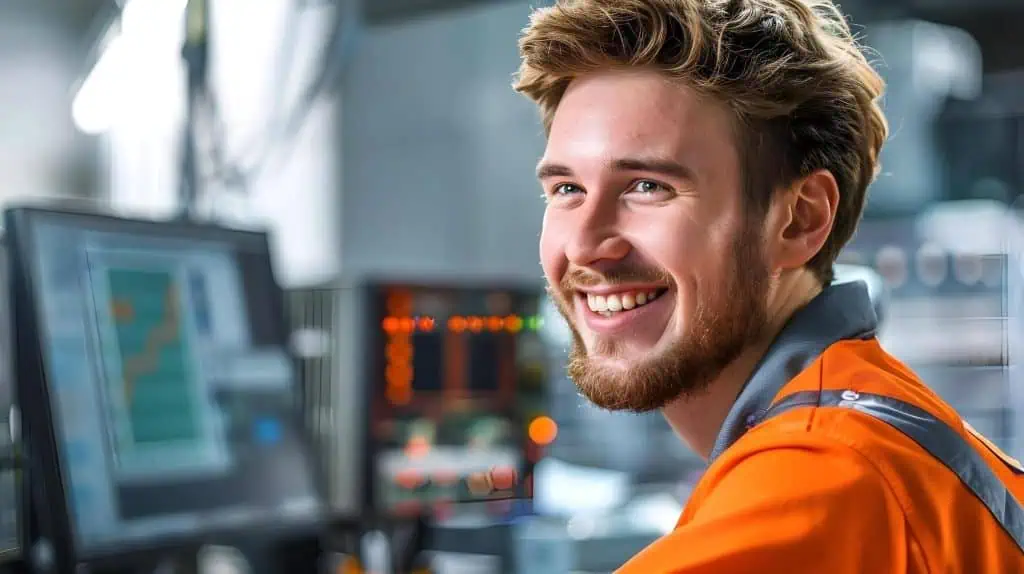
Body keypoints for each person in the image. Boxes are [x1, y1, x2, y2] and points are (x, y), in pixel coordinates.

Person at [513, 0, 1024, 572]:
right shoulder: (866, 426)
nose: (583, 246)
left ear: (799, 220)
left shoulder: (825, 475)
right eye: (565, 191)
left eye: (648, 186)